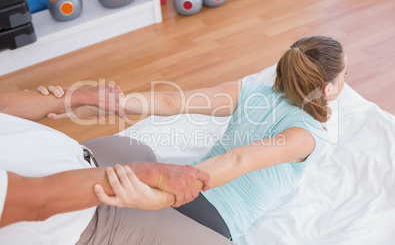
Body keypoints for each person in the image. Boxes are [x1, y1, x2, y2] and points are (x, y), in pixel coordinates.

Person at [48, 36, 347, 242]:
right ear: (326, 90)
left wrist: (103, 102)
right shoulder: (308, 135)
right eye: (343, 75)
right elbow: (238, 159)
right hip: (208, 215)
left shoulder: (250, 92)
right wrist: (165, 197)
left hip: (173, 183)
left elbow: (169, 102)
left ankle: (71, 105)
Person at [0, 85, 234, 244]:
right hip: (76, 222)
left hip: (83, 161)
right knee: (219, 234)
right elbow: (39, 200)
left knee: (139, 150)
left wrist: (73, 97)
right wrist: (147, 175)